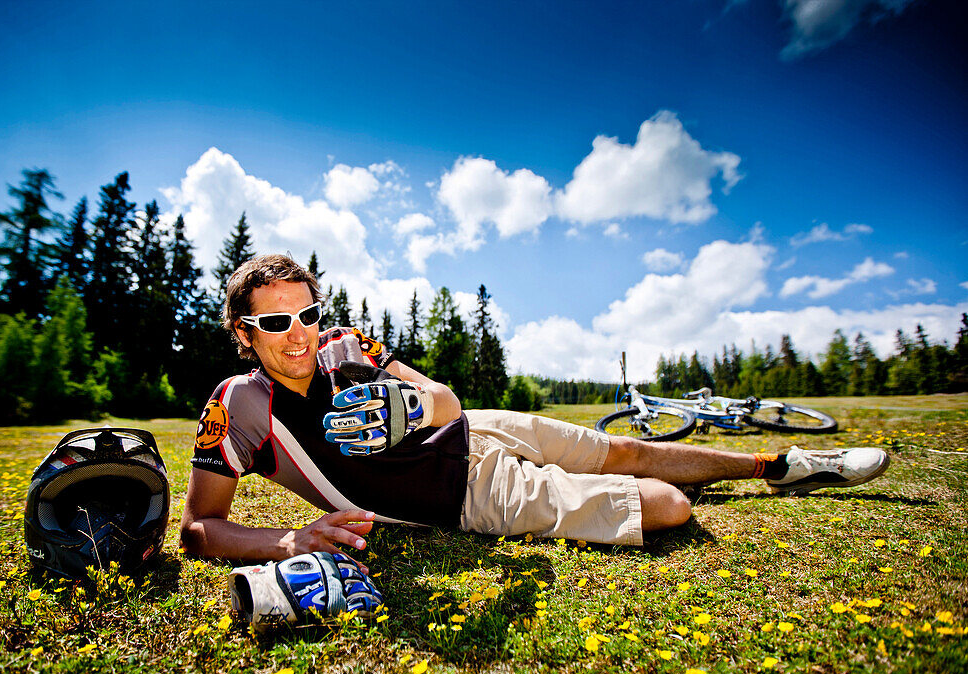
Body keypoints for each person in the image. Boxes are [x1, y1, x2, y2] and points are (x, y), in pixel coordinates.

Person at [181, 254, 889, 563]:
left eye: (306, 313)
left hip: (478, 428)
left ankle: (780, 463)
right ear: (243, 332)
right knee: (669, 504)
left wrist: (420, 404)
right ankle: (748, 474)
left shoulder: (344, 342)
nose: (299, 333)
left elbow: (446, 397)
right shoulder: (239, 407)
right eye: (275, 324)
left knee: (626, 449)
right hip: (471, 493)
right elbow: (199, 529)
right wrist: (286, 541)